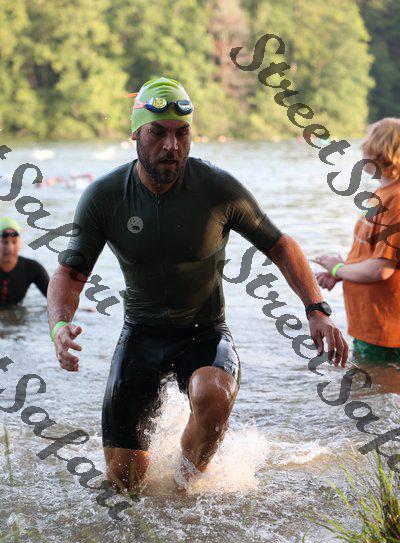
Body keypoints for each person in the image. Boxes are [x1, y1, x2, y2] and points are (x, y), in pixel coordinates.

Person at [47, 76, 348, 493]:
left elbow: (280, 245)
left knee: (213, 394)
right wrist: (59, 326)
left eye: (182, 133)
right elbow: (70, 274)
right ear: (135, 134)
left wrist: (317, 310)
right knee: (125, 485)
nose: (171, 146)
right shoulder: (105, 196)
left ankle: (185, 487)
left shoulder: (216, 188)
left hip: (204, 332)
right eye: (158, 133)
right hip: (141, 335)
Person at [314, 117, 400, 362]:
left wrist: (338, 268)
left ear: (382, 150)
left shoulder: (397, 200)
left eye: (367, 142)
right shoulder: (381, 194)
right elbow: (372, 257)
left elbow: (381, 269)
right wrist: (343, 272)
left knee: (380, 384)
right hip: (370, 324)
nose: (362, 148)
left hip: (387, 331)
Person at [0, 217, 49, 307]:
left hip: (16, 312)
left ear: (20, 243)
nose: (10, 248)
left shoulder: (32, 268)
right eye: (5, 242)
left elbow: (54, 299)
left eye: (14, 242)